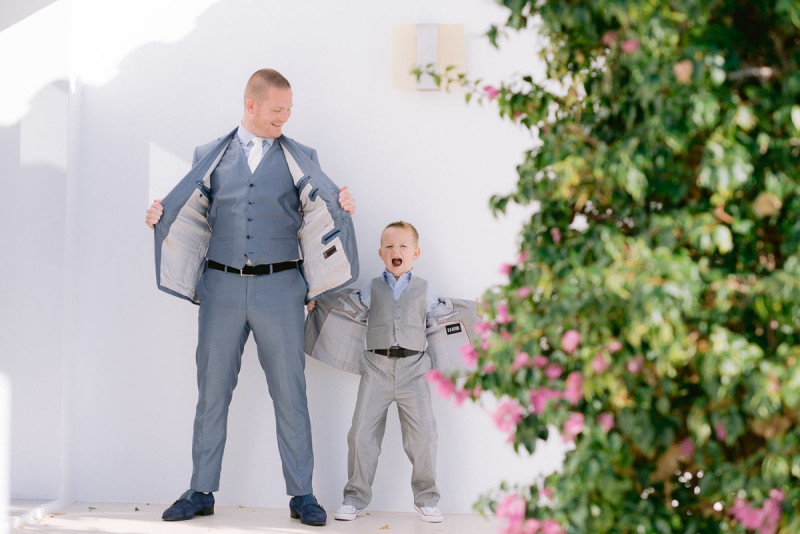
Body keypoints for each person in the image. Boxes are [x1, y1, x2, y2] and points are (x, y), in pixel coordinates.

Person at [144, 68, 358, 527]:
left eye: (289, 110)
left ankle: (302, 495)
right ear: (251, 105)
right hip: (220, 287)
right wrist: (160, 215)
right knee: (212, 392)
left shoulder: (302, 157)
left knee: (291, 393)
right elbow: (190, 212)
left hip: (282, 288)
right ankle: (200, 491)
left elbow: (319, 214)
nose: (285, 117)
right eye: (277, 109)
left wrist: (343, 211)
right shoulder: (208, 154)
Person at [306, 221, 474, 523]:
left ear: (415, 253)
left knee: (424, 436)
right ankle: (354, 498)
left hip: (414, 371)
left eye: (403, 246)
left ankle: (426, 499)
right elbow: (346, 306)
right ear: (381, 253)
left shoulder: (425, 289)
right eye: (390, 246)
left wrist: (478, 312)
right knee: (360, 434)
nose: (397, 251)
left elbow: (445, 313)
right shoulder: (371, 288)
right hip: (376, 369)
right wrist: (319, 301)